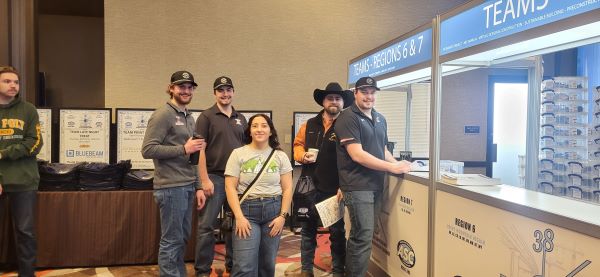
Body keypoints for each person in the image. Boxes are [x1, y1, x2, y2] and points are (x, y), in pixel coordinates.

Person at [334, 76, 411, 277]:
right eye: (364, 92)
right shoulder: (347, 117)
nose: (369, 96)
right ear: (355, 93)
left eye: (372, 92)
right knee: (363, 237)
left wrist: (397, 164)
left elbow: (382, 149)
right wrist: (391, 168)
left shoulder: (380, 118)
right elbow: (357, 154)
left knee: (363, 236)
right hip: (357, 186)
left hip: (376, 185)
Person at [141, 70, 206, 277]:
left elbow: (193, 156)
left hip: (187, 186)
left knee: (182, 238)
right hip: (170, 187)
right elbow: (148, 150)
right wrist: (183, 149)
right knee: (171, 240)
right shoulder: (163, 114)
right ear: (171, 88)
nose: (186, 91)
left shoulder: (189, 116)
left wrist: (198, 187)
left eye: (189, 87)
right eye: (181, 87)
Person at [293, 82, 353, 277]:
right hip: (308, 187)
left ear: (343, 102)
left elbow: (353, 158)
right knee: (307, 231)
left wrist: (344, 185)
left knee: (336, 233)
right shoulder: (308, 124)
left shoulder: (347, 125)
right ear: (323, 102)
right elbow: (297, 146)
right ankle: (306, 270)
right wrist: (301, 156)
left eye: (337, 98)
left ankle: (338, 271)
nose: (334, 101)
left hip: (334, 189)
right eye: (330, 98)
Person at [224, 114, 293, 277]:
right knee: (244, 266)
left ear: (270, 131)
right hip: (246, 213)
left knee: (267, 264)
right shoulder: (238, 153)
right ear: (249, 131)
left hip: (273, 212)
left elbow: (288, 188)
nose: (259, 129)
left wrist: (283, 216)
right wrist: (239, 217)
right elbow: (230, 187)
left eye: (264, 125)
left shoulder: (280, 156)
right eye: (255, 126)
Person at [194, 76, 247, 276]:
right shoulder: (206, 117)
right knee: (206, 227)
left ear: (233, 92)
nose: (225, 94)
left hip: (236, 180)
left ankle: (232, 267)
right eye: (221, 90)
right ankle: (202, 271)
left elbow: (245, 150)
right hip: (214, 178)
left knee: (235, 226)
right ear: (215, 93)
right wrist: (204, 180)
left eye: (228, 90)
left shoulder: (240, 118)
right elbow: (199, 150)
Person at [0, 66, 43, 277]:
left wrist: (4, 153)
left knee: (25, 233)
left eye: (16, 82)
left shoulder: (28, 110)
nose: (13, 85)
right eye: (7, 81)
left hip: (24, 181)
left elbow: (35, 143)